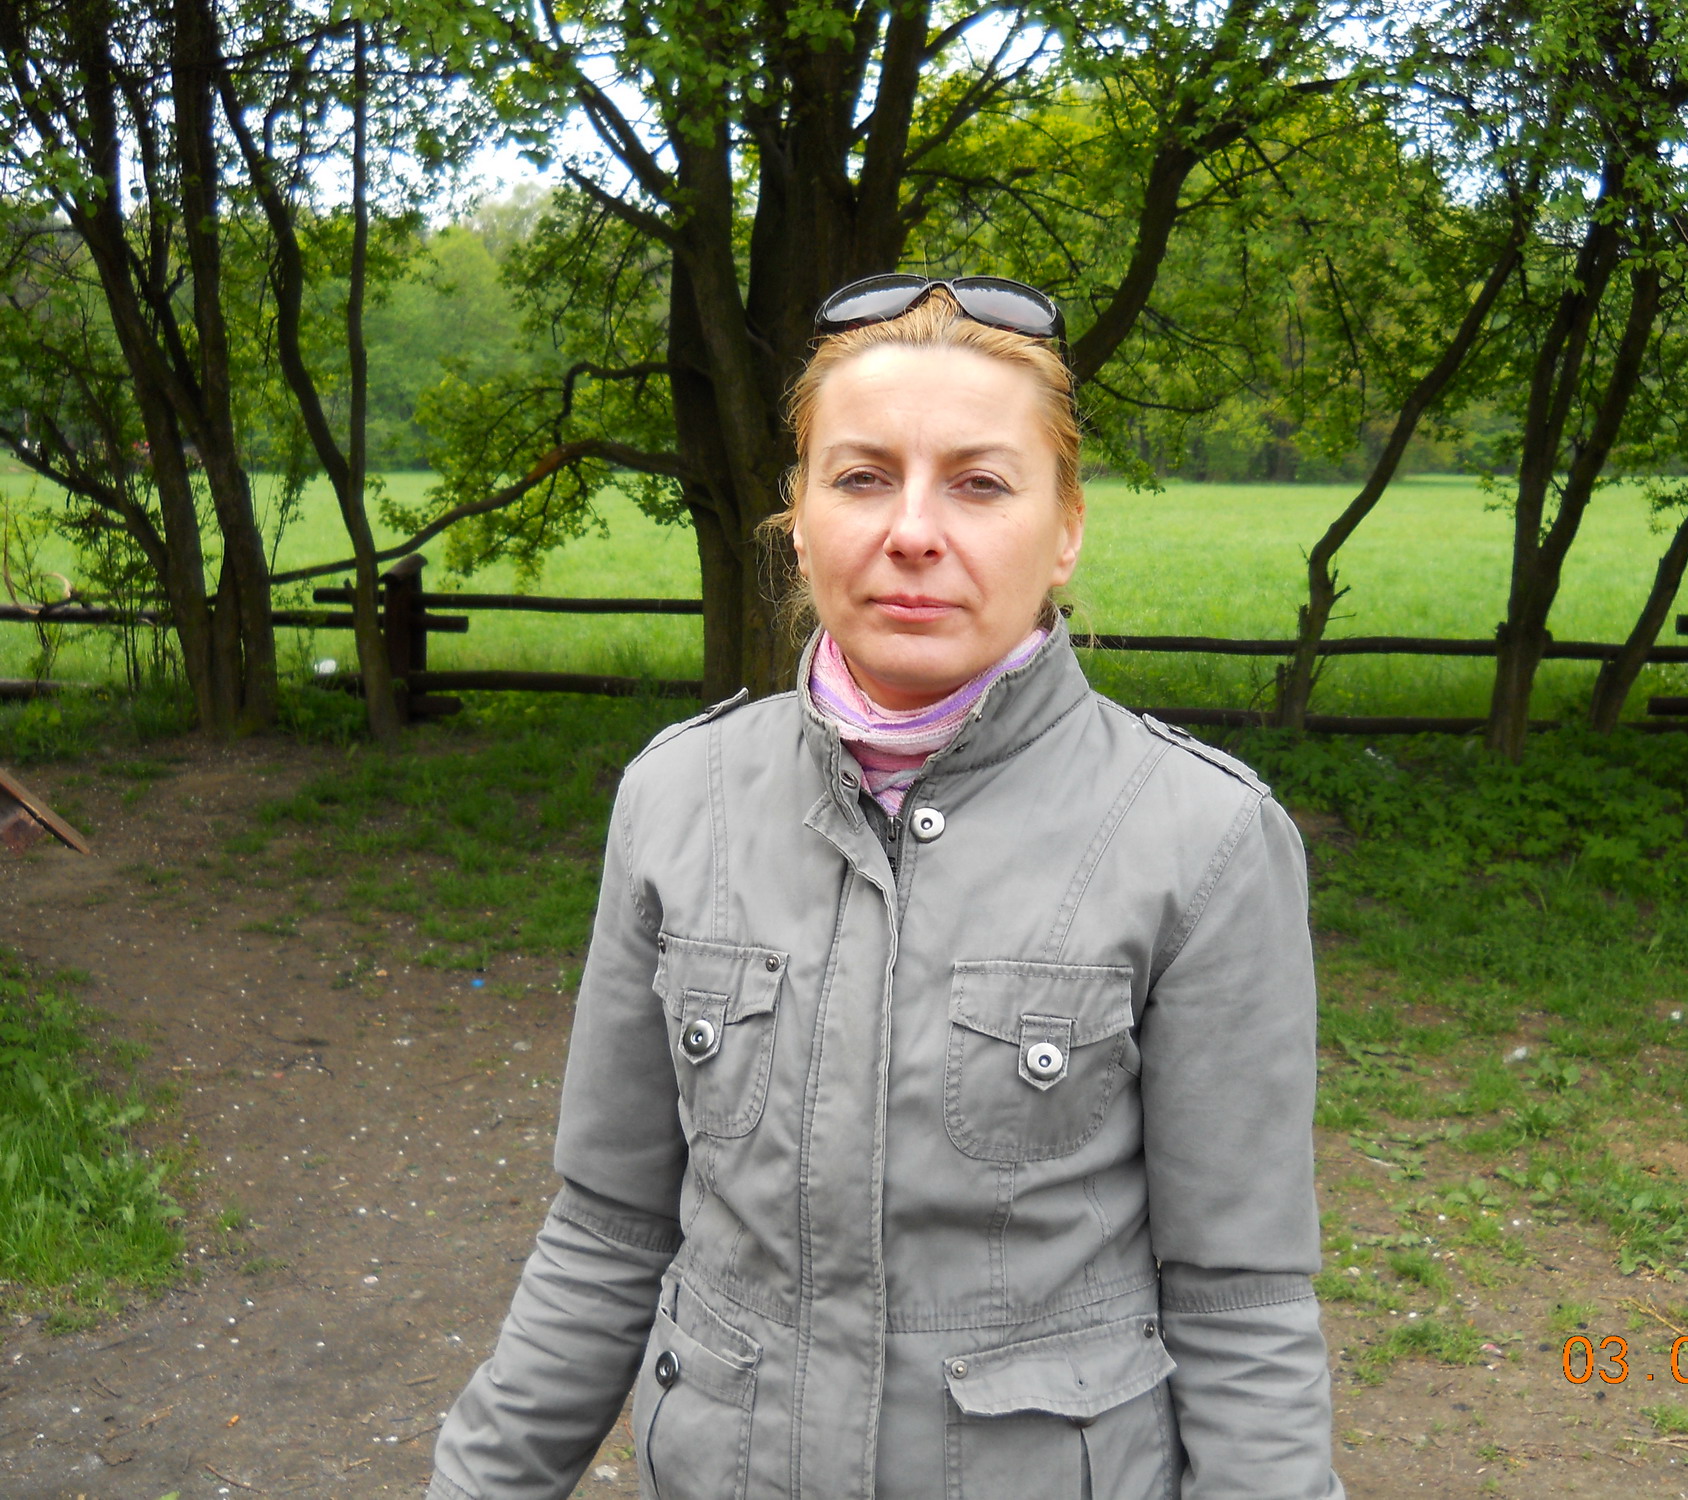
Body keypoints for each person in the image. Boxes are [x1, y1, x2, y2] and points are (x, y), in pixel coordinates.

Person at [427, 275, 1343, 1500]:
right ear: (799, 520)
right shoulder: (676, 799)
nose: (912, 530)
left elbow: (1241, 1306)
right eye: (861, 477)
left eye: (979, 483)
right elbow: (606, 1234)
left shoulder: (1203, 838)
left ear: (1064, 529)